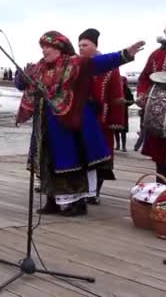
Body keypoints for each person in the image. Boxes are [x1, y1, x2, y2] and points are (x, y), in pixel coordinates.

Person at [16, 31, 143, 216]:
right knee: (48, 161)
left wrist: (125, 54)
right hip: (44, 124)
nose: (44, 50)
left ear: (60, 48)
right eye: (42, 47)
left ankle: (77, 204)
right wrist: (21, 76)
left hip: (67, 123)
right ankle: (51, 200)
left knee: (70, 161)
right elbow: (21, 85)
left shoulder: (75, 63)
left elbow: (99, 63)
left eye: (48, 47)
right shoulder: (39, 68)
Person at [77, 28, 125, 205]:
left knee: (101, 157)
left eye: (85, 45)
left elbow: (116, 95)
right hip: (81, 119)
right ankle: (82, 189)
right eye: (79, 45)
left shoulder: (110, 66)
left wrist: (116, 120)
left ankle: (95, 191)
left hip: (102, 119)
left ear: (95, 45)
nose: (81, 48)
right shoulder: (77, 64)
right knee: (81, 155)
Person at [136, 22, 166, 178]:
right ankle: (163, 201)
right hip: (159, 119)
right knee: (161, 167)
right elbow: (144, 79)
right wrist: (142, 95)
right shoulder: (156, 55)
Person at [114, 76, 133, 152]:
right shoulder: (115, 90)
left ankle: (124, 146)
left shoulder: (127, 90)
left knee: (123, 130)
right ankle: (118, 145)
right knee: (116, 129)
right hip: (116, 112)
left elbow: (132, 101)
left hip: (124, 113)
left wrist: (126, 101)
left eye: (122, 81)